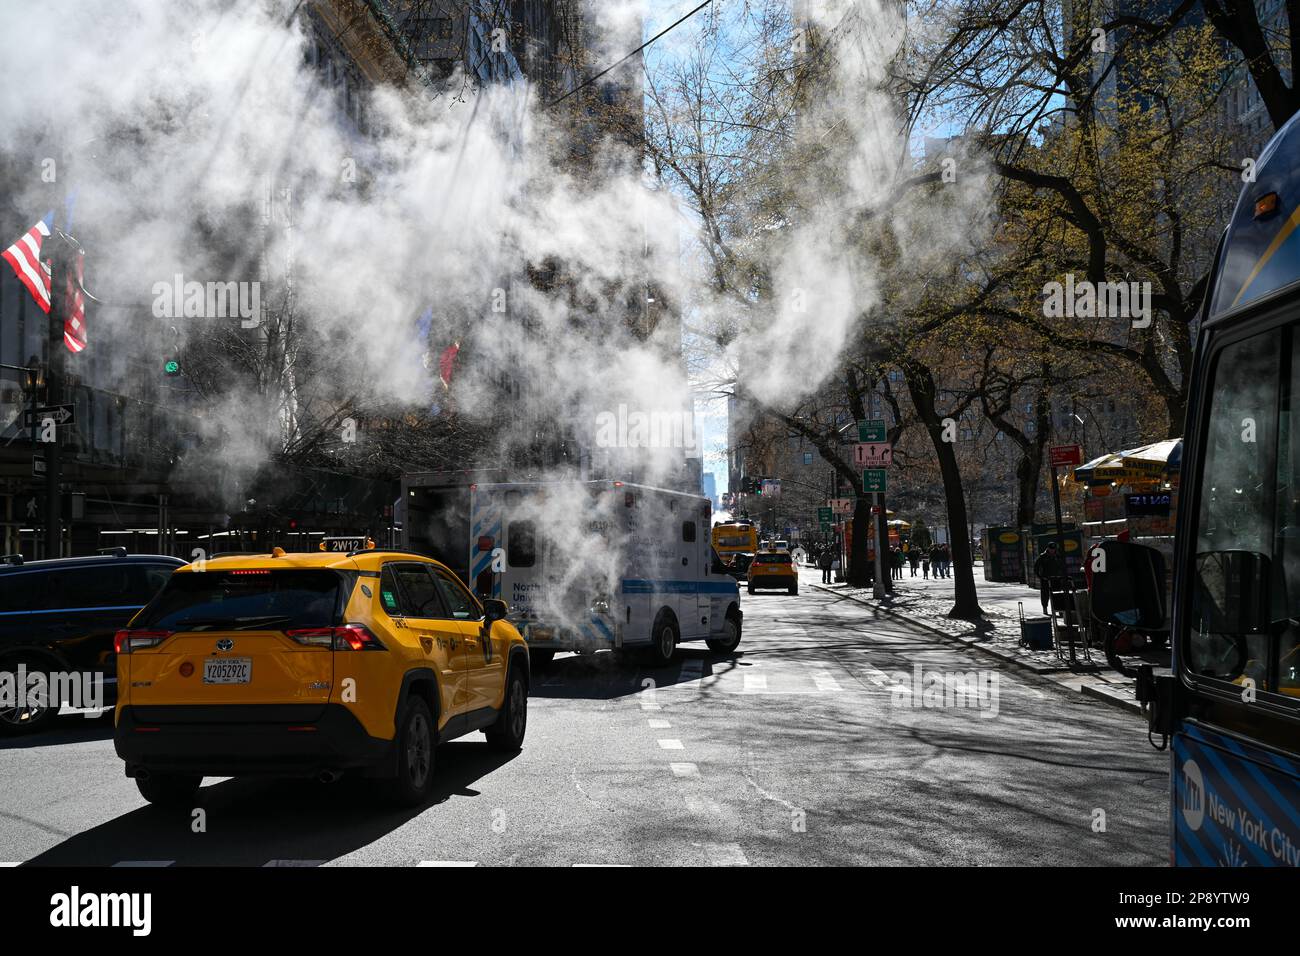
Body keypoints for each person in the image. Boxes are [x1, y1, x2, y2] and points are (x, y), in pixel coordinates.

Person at [1033, 541, 1066, 615]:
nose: (1052, 550)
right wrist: (1040, 577)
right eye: (1051, 549)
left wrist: (1061, 575)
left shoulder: (1058, 556)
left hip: (1056, 578)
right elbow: (1036, 567)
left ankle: (1059, 609)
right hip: (1046, 578)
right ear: (1048, 548)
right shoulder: (1043, 556)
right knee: (1045, 595)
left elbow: (1062, 566)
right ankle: (1045, 608)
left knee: (1057, 594)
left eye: (1054, 549)